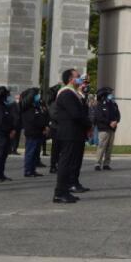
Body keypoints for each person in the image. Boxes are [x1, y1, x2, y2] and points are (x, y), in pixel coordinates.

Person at [53, 69, 92, 203]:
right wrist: (89, 124)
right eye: (78, 76)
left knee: (71, 163)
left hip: (75, 133)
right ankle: (60, 192)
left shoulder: (74, 93)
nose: (81, 78)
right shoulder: (66, 93)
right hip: (69, 133)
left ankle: (65, 190)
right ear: (70, 79)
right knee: (66, 163)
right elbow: (76, 114)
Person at [68, 73, 91, 193]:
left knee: (78, 160)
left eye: (87, 83)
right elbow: (78, 115)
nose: (85, 85)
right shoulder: (74, 95)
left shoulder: (83, 96)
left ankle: (75, 182)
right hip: (74, 132)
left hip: (81, 131)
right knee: (73, 159)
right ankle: (71, 183)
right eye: (84, 82)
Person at [19, 88, 48, 178]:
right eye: (36, 94)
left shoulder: (36, 106)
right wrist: (42, 125)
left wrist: (44, 126)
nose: (38, 96)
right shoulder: (27, 107)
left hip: (38, 131)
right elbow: (33, 120)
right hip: (32, 132)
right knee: (30, 152)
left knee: (35, 152)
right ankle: (28, 170)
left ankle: (32, 169)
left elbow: (41, 116)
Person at [0, 86, 16, 182]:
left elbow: (10, 119)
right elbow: (0, 122)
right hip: (1, 133)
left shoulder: (4, 106)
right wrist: (9, 130)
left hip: (6, 133)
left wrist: (12, 129)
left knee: (4, 154)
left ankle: (1, 173)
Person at [94, 87, 121, 171]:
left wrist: (116, 121)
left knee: (109, 147)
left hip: (112, 129)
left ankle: (106, 164)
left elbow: (118, 115)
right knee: (102, 146)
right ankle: (98, 163)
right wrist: (109, 122)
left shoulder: (113, 104)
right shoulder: (100, 104)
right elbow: (99, 117)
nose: (111, 95)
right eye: (110, 94)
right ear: (105, 95)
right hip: (104, 129)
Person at [45, 84, 61, 174]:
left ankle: (57, 164)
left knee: (58, 148)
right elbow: (54, 115)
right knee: (56, 148)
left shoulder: (57, 103)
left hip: (59, 128)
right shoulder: (54, 103)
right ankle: (53, 165)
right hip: (56, 128)